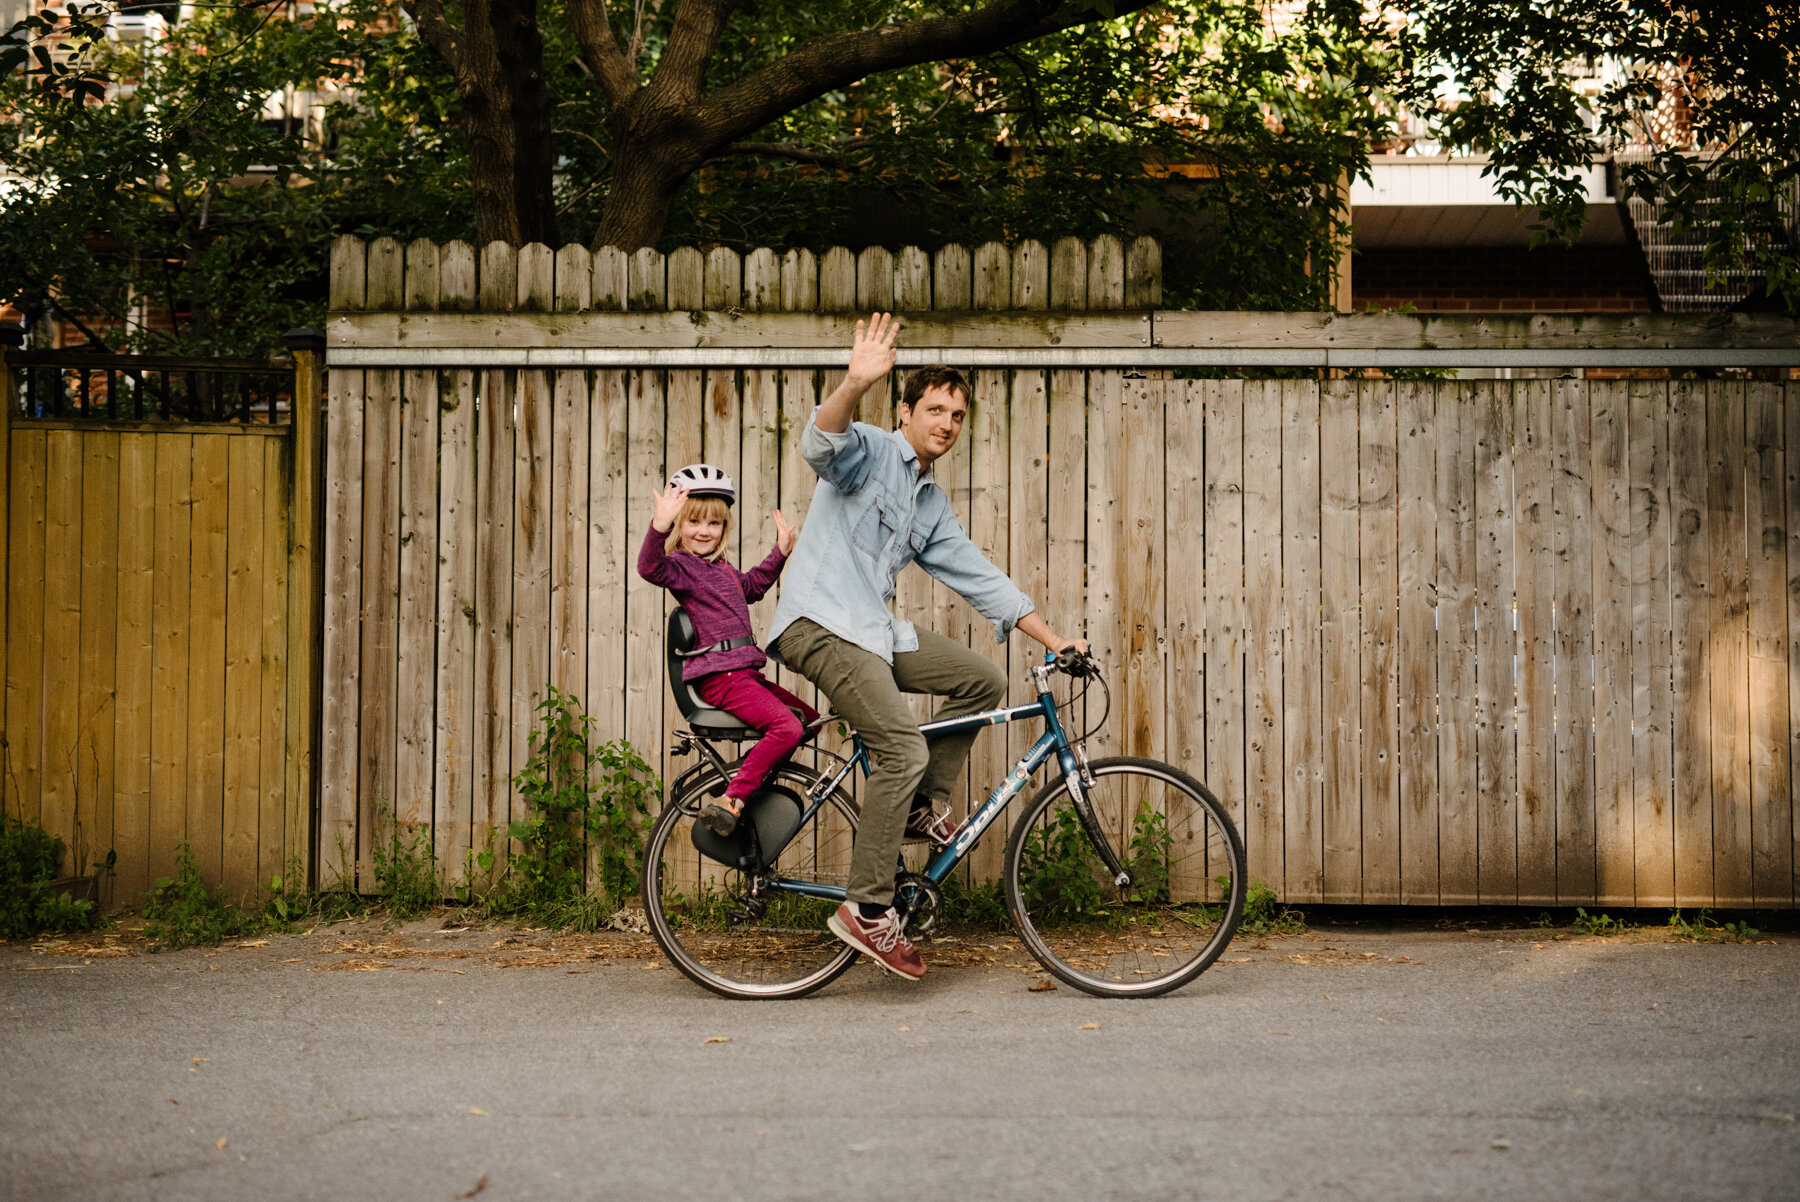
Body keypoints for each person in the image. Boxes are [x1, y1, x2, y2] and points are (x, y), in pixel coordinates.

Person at [767, 312, 1088, 980]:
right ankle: (866, 908)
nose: (946, 423)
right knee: (902, 747)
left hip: (873, 633)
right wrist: (854, 384)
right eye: (934, 409)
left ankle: (915, 805)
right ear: (906, 412)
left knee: (980, 679)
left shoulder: (929, 503)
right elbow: (820, 446)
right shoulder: (873, 451)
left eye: (958, 415)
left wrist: (1055, 640)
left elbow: (980, 577)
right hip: (821, 623)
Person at [638, 463, 818, 838]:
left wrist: (780, 553)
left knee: (808, 720)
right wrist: (659, 527)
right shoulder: (682, 568)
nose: (704, 531)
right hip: (721, 679)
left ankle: (745, 783)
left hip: (744, 675)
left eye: (714, 524)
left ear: (725, 528)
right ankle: (732, 799)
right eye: (694, 522)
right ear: (680, 527)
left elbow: (752, 586)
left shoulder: (721, 569)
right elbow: (649, 568)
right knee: (785, 726)